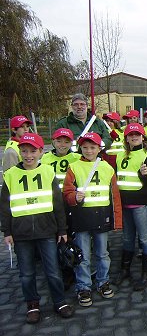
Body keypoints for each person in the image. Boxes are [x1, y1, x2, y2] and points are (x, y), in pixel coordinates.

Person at [0, 133, 74, 324]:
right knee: (26, 273)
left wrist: (62, 230)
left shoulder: (48, 172)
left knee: (53, 270)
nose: (28, 155)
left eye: (33, 151)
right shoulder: (10, 175)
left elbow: (58, 204)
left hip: (46, 231)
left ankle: (59, 302)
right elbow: (4, 206)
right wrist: (6, 231)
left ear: (41, 152)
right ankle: (32, 305)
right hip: (21, 233)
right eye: (24, 151)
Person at [62, 132, 122, 307]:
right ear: (80, 148)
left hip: (101, 216)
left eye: (93, 147)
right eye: (85, 147)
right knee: (83, 256)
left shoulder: (107, 168)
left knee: (103, 254)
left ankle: (103, 282)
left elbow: (115, 196)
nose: (89, 151)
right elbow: (67, 193)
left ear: (99, 149)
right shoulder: (73, 167)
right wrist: (74, 197)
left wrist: (117, 220)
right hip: (82, 219)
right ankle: (83, 287)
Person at [114, 123, 147, 291]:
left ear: (142, 137)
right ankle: (125, 270)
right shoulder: (120, 156)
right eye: (131, 135)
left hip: (141, 204)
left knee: (145, 238)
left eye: (137, 135)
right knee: (127, 238)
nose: (134, 137)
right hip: (124, 203)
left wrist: (145, 175)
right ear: (126, 138)